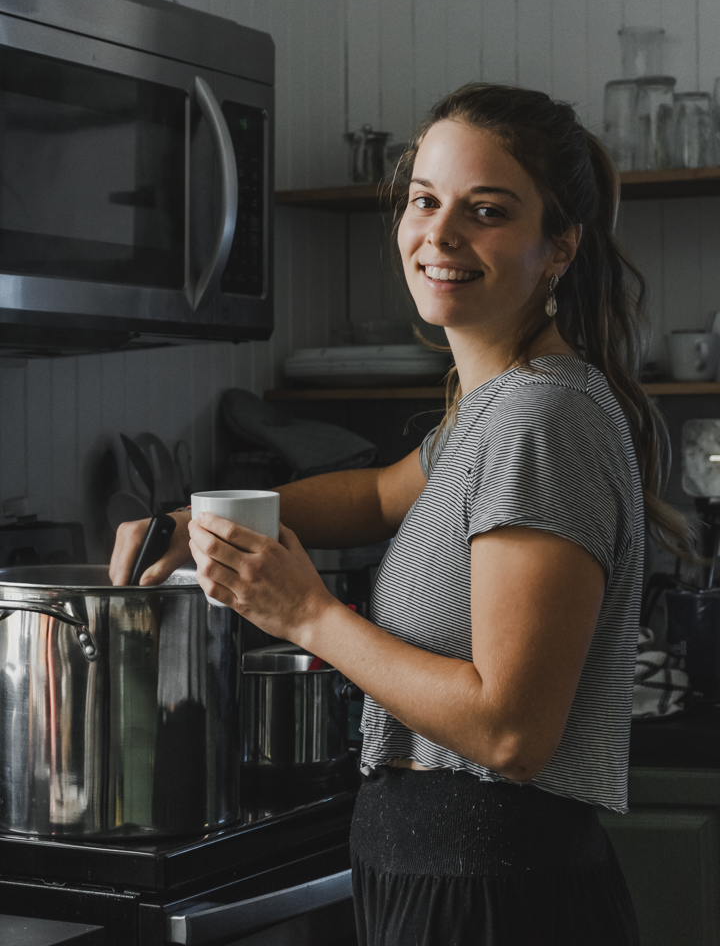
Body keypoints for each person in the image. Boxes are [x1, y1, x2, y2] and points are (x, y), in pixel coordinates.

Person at [110, 83, 690, 945]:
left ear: (558, 246)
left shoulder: (542, 419)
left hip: (494, 898)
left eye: (486, 211)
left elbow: (510, 733)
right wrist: (192, 515)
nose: (440, 235)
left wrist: (306, 614)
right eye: (425, 200)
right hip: (442, 877)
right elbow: (380, 494)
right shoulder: (497, 406)